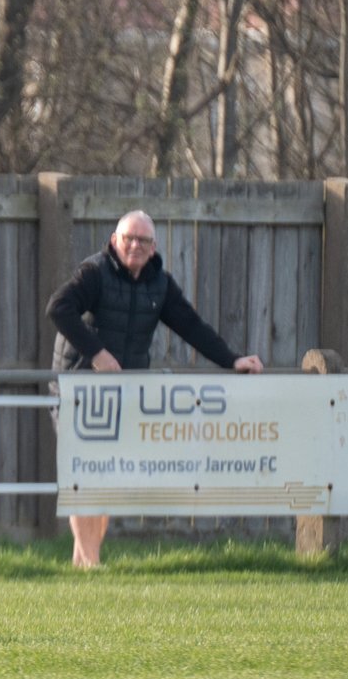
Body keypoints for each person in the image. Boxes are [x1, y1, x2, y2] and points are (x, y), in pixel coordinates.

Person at [46, 210, 264, 568]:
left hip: (124, 395)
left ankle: (82, 564)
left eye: (142, 240)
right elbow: (58, 308)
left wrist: (231, 359)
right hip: (79, 389)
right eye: (128, 238)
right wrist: (97, 354)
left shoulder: (158, 284)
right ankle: (92, 563)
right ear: (114, 240)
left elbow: (191, 326)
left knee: (106, 479)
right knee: (85, 474)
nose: (134, 245)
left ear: (154, 247)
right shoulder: (94, 273)